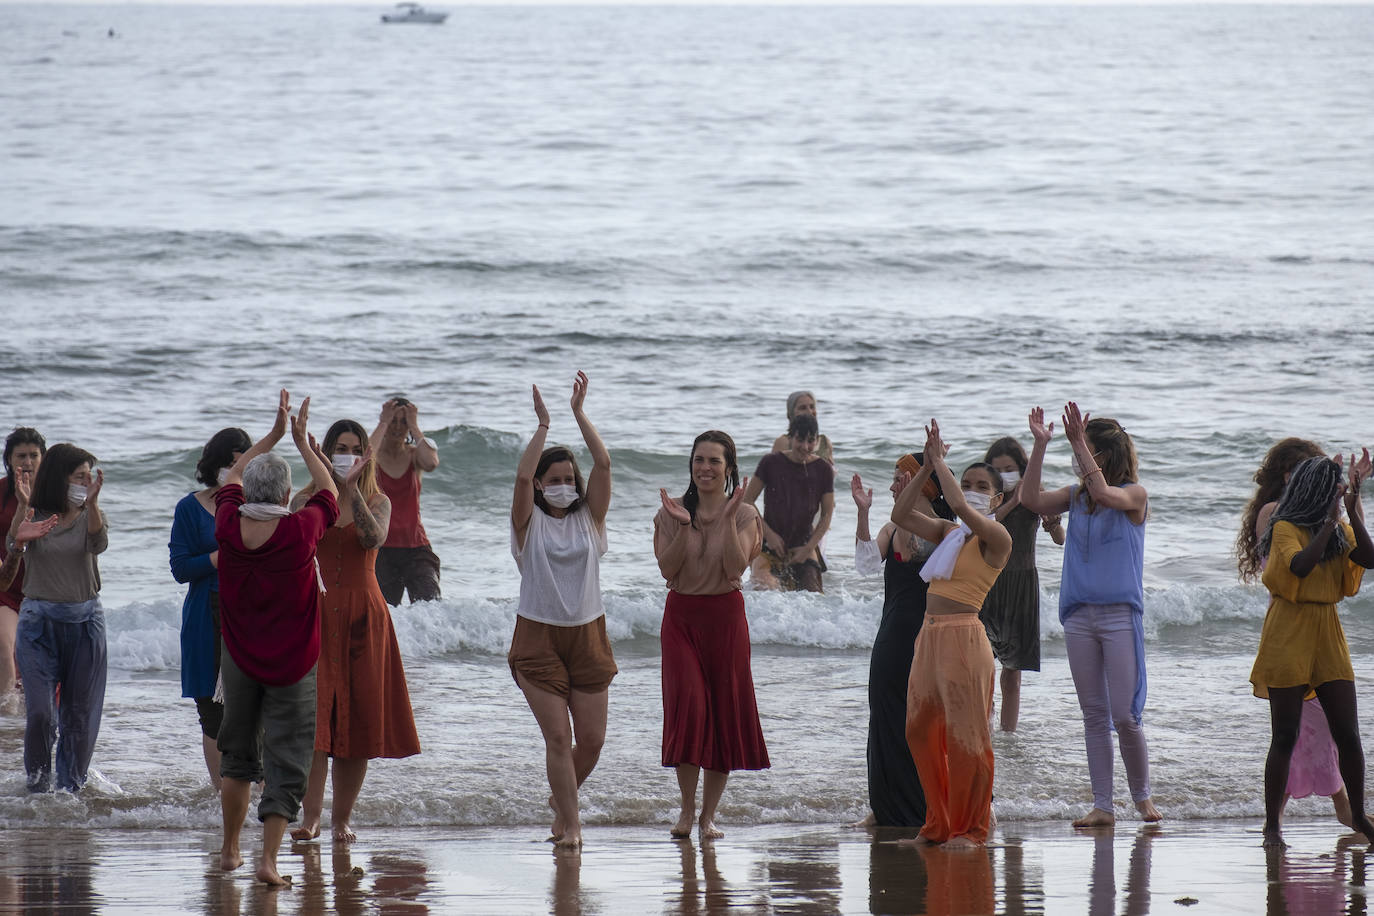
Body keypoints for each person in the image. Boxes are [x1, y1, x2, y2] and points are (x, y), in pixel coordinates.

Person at [215, 390, 339, 886]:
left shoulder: (228, 523)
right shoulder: (302, 529)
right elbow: (330, 491)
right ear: (289, 496)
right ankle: (267, 861)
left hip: (240, 661)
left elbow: (230, 477)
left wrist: (270, 436)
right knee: (288, 759)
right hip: (293, 666)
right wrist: (305, 444)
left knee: (238, 755)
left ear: (248, 494)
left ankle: (229, 851)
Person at [1020, 402, 1162, 827]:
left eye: (1088, 451)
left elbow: (1106, 493)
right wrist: (1039, 446)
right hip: (1079, 616)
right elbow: (1029, 499)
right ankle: (1103, 805)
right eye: (1081, 451)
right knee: (1094, 715)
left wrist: (1079, 441)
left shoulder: (1134, 495)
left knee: (1125, 715)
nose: (1080, 459)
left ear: (1106, 456)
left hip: (1120, 616)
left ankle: (1142, 798)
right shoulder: (1076, 496)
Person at [291, 418, 421, 845]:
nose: (346, 453)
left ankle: (341, 818)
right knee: (315, 723)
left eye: (354, 447)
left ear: (365, 454)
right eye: (338, 447)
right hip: (317, 614)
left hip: (366, 615)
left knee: (358, 724)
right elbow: (292, 552)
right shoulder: (306, 500)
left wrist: (349, 490)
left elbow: (372, 538)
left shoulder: (377, 500)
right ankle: (310, 816)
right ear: (325, 452)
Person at [890, 420, 1010, 847]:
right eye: (968, 482)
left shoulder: (996, 537)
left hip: (964, 637)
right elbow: (900, 514)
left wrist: (939, 462)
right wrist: (925, 469)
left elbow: (961, 506)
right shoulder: (948, 533)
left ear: (996, 499)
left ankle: (971, 828)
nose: (973, 488)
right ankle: (939, 824)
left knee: (967, 737)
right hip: (929, 635)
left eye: (983, 485)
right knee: (919, 730)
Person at [509, 372, 615, 850]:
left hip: (588, 636)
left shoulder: (590, 521)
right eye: (555, 480)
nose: (565, 486)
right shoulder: (527, 525)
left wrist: (579, 414)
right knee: (557, 737)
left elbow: (605, 463)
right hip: (537, 640)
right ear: (539, 486)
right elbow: (518, 478)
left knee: (590, 741)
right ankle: (571, 826)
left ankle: (561, 798)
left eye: (569, 479)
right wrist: (545, 426)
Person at [1249, 452, 1374, 848]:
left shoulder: (1339, 529)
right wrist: (1326, 522)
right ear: (1313, 492)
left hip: (1327, 634)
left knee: (1348, 735)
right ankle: (1272, 825)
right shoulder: (1285, 526)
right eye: (1331, 492)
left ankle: (1359, 817)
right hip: (1288, 632)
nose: (1332, 499)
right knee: (1284, 734)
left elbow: (1370, 558)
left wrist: (1353, 506)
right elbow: (1301, 566)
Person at [654, 430, 768, 840]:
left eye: (714, 461)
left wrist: (724, 517)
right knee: (691, 710)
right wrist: (685, 527)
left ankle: (708, 817)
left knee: (722, 717)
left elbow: (735, 569)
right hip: (682, 618)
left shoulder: (745, 514)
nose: (705, 467)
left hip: (725, 619)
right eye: (698, 460)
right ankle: (686, 812)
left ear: (729, 469)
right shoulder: (671, 512)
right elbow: (668, 570)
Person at [849, 452, 953, 828]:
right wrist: (862, 512)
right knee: (885, 718)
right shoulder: (891, 528)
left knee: (926, 724)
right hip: (891, 636)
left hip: (930, 635)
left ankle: (928, 808)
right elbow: (864, 564)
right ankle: (885, 808)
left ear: (920, 484)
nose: (892, 486)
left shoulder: (947, 529)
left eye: (898, 479)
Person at [8, 443, 108, 793]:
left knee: (79, 718)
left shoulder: (89, 514)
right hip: (37, 624)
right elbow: (5, 578)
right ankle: (37, 789)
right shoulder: (32, 513)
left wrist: (92, 504)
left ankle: (69, 792)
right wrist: (19, 542)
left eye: (88, 476)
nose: (85, 482)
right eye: (79, 476)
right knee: (40, 715)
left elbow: (98, 545)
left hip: (85, 624)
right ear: (59, 478)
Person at [170, 427, 251, 792]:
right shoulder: (190, 507)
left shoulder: (255, 504)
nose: (234, 471)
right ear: (215, 464)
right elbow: (180, 568)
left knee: (253, 708)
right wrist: (217, 558)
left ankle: (257, 791)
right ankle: (222, 797)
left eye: (242, 464)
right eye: (230, 464)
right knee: (212, 712)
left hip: (249, 615)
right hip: (206, 614)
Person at [979, 436, 1065, 732]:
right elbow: (981, 527)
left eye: (1010, 468)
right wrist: (1012, 500)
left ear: (1023, 468)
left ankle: (1009, 736)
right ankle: (983, 727)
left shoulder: (1034, 493)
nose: (1005, 475)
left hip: (1022, 584)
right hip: (986, 584)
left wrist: (1053, 523)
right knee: (981, 665)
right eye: (998, 469)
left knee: (1012, 672)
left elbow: (1060, 539)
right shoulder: (985, 496)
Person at [745, 414, 834, 592]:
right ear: (791, 438)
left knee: (814, 598)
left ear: (817, 441)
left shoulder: (823, 469)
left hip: (804, 545)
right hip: (768, 546)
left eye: (811, 441)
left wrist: (809, 548)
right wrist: (769, 534)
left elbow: (826, 515)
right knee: (765, 592)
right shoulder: (770, 462)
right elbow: (747, 501)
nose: (805, 447)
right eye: (800, 440)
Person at [371, 397, 441, 606]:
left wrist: (414, 426)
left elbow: (431, 462)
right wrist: (383, 422)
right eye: (393, 420)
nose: (397, 427)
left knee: (431, 606)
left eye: (403, 422)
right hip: (380, 549)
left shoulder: (414, 455)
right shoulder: (373, 457)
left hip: (416, 547)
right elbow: (361, 460)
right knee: (383, 613)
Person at [0, 427, 45, 712]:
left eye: (33, 455)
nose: (27, 462)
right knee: (7, 651)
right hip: (5, 586)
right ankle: (7, 722)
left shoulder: (55, 493)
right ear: (9, 459)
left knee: (40, 668)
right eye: (21, 456)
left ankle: (31, 723)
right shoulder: (1, 491)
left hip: (44, 589)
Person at [770, 391, 833, 465]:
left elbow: (831, 473)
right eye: (802, 408)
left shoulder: (825, 442)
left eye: (812, 407)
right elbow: (772, 472)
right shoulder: (783, 442)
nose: (809, 411)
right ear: (790, 414)